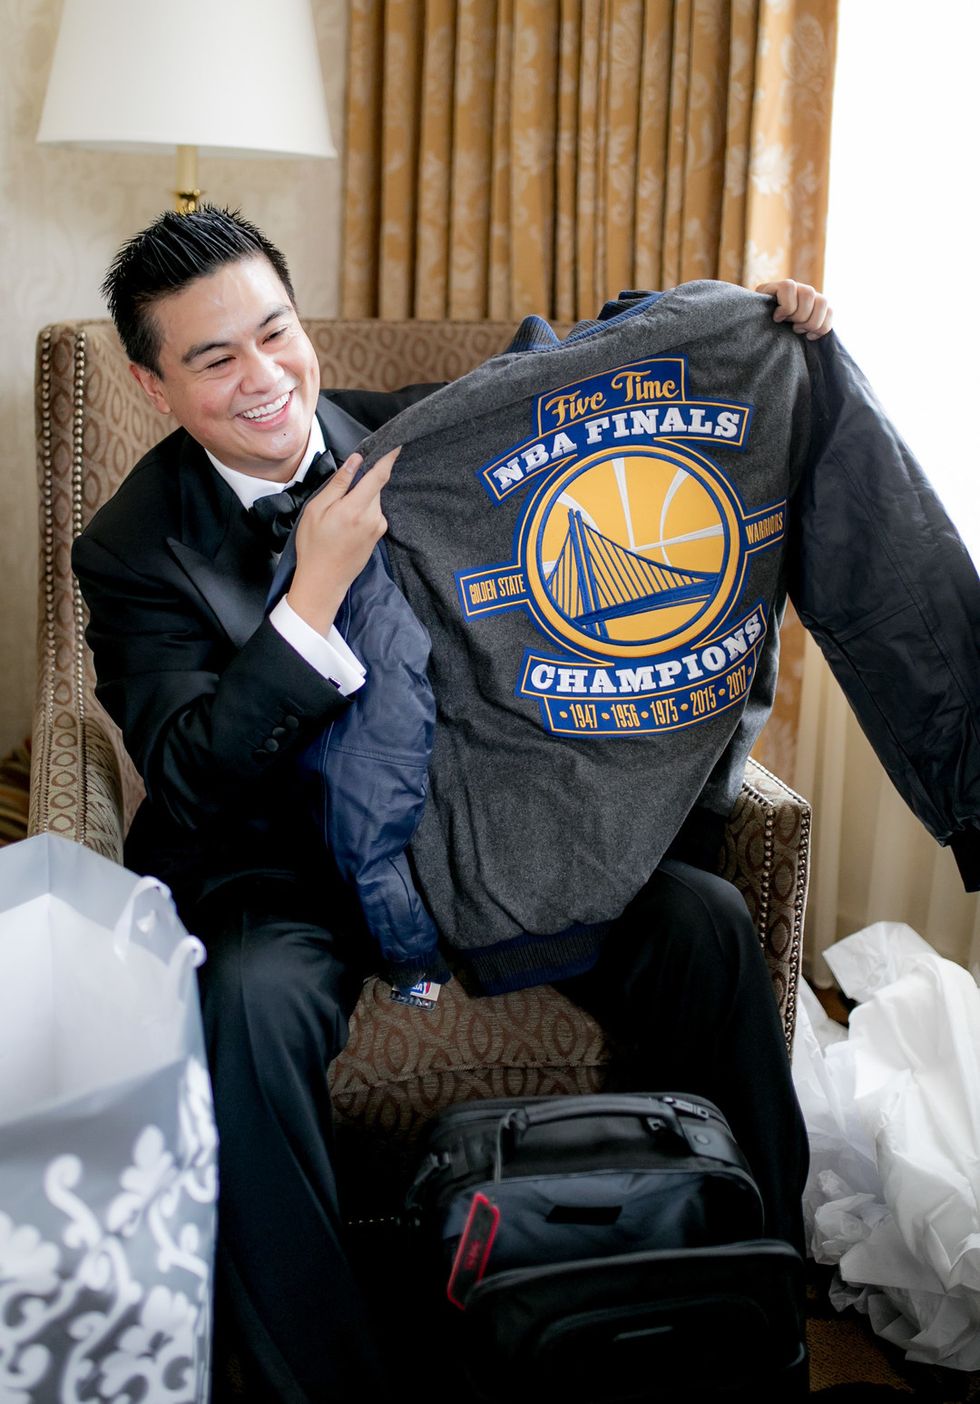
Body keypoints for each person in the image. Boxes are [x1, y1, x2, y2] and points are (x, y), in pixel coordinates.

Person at [74, 206, 832, 1403]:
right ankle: (324, 1378)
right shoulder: (128, 547)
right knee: (247, 1005)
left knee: (703, 926)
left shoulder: (406, 436)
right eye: (214, 358)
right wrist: (307, 604)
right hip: (273, 866)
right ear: (152, 385)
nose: (263, 377)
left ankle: (754, 1316)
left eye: (275, 333)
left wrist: (746, 319)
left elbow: (577, 376)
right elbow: (191, 772)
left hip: (469, 835)